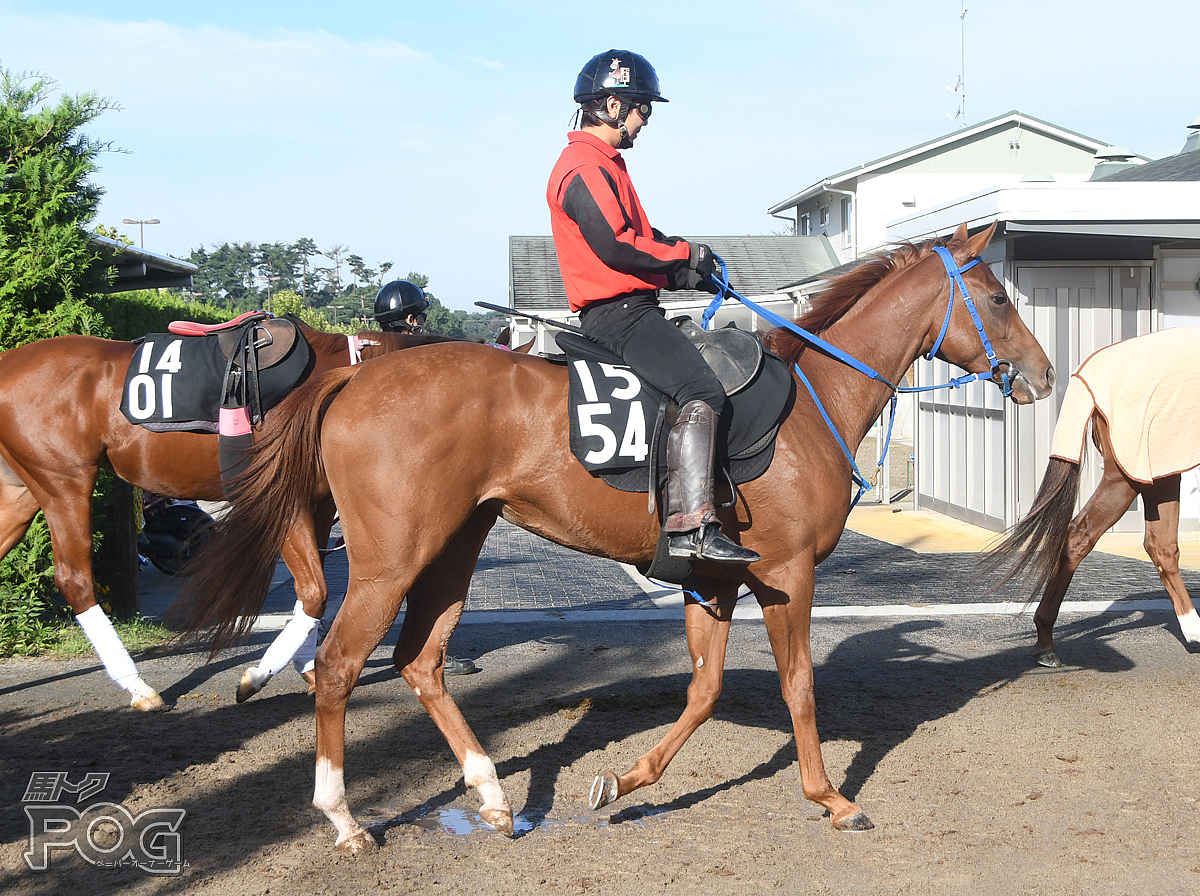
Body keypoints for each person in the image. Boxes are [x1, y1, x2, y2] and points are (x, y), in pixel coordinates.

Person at [546, 50, 759, 565]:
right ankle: (691, 526)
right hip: (619, 315)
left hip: (633, 306)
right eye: (643, 110)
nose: (645, 122)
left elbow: (643, 239)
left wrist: (682, 263)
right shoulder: (582, 166)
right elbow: (618, 246)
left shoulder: (605, 165)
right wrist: (683, 256)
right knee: (701, 388)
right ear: (614, 105)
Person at [372, 279, 480, 675]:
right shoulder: (427, 355)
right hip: (416, 475)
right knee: (430, 564)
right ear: (414, 318)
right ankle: (426, 651)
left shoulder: (372, 355)